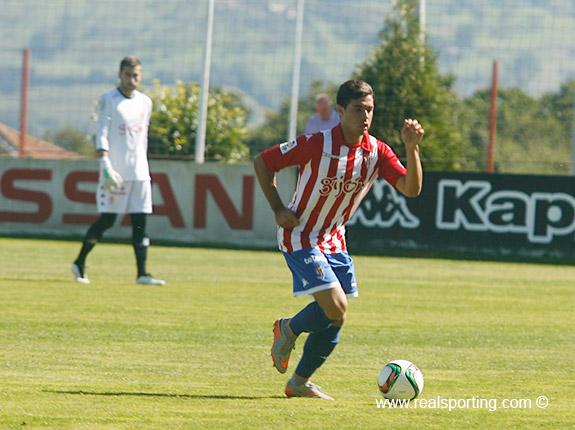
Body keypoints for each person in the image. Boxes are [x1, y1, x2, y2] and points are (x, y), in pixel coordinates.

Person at [253, 80, 423, 399]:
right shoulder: (317, 144)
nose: (365, 117)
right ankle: (288, 329)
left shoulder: (378, 152)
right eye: (358, 110)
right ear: (341, 111)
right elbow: (263, 162)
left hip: (335, 240)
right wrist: (278, 208)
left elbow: (411, 189)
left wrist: (412, 149)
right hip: (300, 236)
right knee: (336, 307)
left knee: (336, 318)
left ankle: (299, 382)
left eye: (370, 110)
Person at [71, 56, 165, 286]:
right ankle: (80, 262)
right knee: (108, 220)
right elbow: (102, 131)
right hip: (116, 172)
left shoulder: (145, 102)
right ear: (120, 75)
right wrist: (105, 163)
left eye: (136, 76)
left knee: (140, 221)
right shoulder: (109, 100)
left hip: (140, 172)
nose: (132, 80)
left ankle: (142, 273)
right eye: (128, 75)